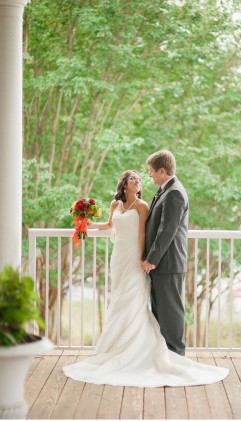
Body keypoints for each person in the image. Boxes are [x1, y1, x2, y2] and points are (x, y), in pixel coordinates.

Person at [63, 171, 227, 387]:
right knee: (119, 297)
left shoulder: (142, 206)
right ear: (124, 184)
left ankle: (139, 348)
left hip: (134, 256)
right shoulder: (115, 205)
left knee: (133, 298)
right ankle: (115, 347)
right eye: (134, 178)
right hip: (118, 256)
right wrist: (88, 223)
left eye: (140, 179)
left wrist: (142, 258)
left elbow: (143, 234)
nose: (138, 181)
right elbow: (110, 225)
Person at [141, 150, 189, 355]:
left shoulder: (175, 192)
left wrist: (152, 259)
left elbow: (167, 230)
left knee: (171, 312)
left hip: (168, 263)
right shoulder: (166, 190)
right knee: (161, 311)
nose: (149, 175)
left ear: (162, 170)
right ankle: (164, 356)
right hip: (163, 264)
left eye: (151, 171)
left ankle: (176, 355)